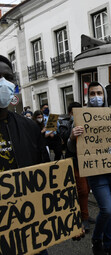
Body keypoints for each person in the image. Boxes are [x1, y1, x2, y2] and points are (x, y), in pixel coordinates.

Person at [68, 81, 111, 255]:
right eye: (92, 94)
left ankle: (108, 245)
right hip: (96, 173)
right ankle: (97, 239)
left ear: (104, 95)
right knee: (107, 209)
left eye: (99, 93)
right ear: (87, 97)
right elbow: (71, 148)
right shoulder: (80, 117)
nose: (96, 97)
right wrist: (73, 137)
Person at [0, 55, 49, 254]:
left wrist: (66, 220)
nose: (3, 82)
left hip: (32, 225)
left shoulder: (29, 127)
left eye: (8, 77)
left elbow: (46, 174)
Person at [62, 102, 93, 233]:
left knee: (88, 189)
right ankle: (83, 218)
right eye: (76, 112)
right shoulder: (65, 125)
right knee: (83, 190)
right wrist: (72, 135)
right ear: (70, 114)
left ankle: (85, 214)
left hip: (87, 162)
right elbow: (64, 138)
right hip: (75, 163)